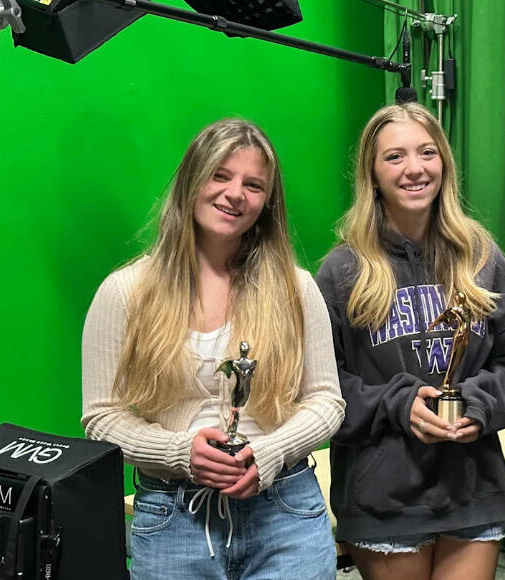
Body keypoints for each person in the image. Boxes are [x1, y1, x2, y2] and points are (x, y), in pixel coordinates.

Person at [82, 118, 344, 579]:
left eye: (253, 185)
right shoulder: (124, 292)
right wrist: (180, 452)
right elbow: (102, 418)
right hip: (173, 517)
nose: (235, 194)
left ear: (267, 202)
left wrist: (271, 451)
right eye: (220, 175)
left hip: (285, 512)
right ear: (191, 180)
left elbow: (327, 401)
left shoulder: (295, 288)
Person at [315, 103, 505, 580]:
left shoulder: (480, 256)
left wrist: (478, 404)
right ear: (372, 175)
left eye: (427, 152)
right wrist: (399, 405)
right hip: (384, 499)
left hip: (471, 487)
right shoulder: (343, 270)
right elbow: (321, 386)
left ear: (444, 163)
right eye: (394, 156)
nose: (414, 168)